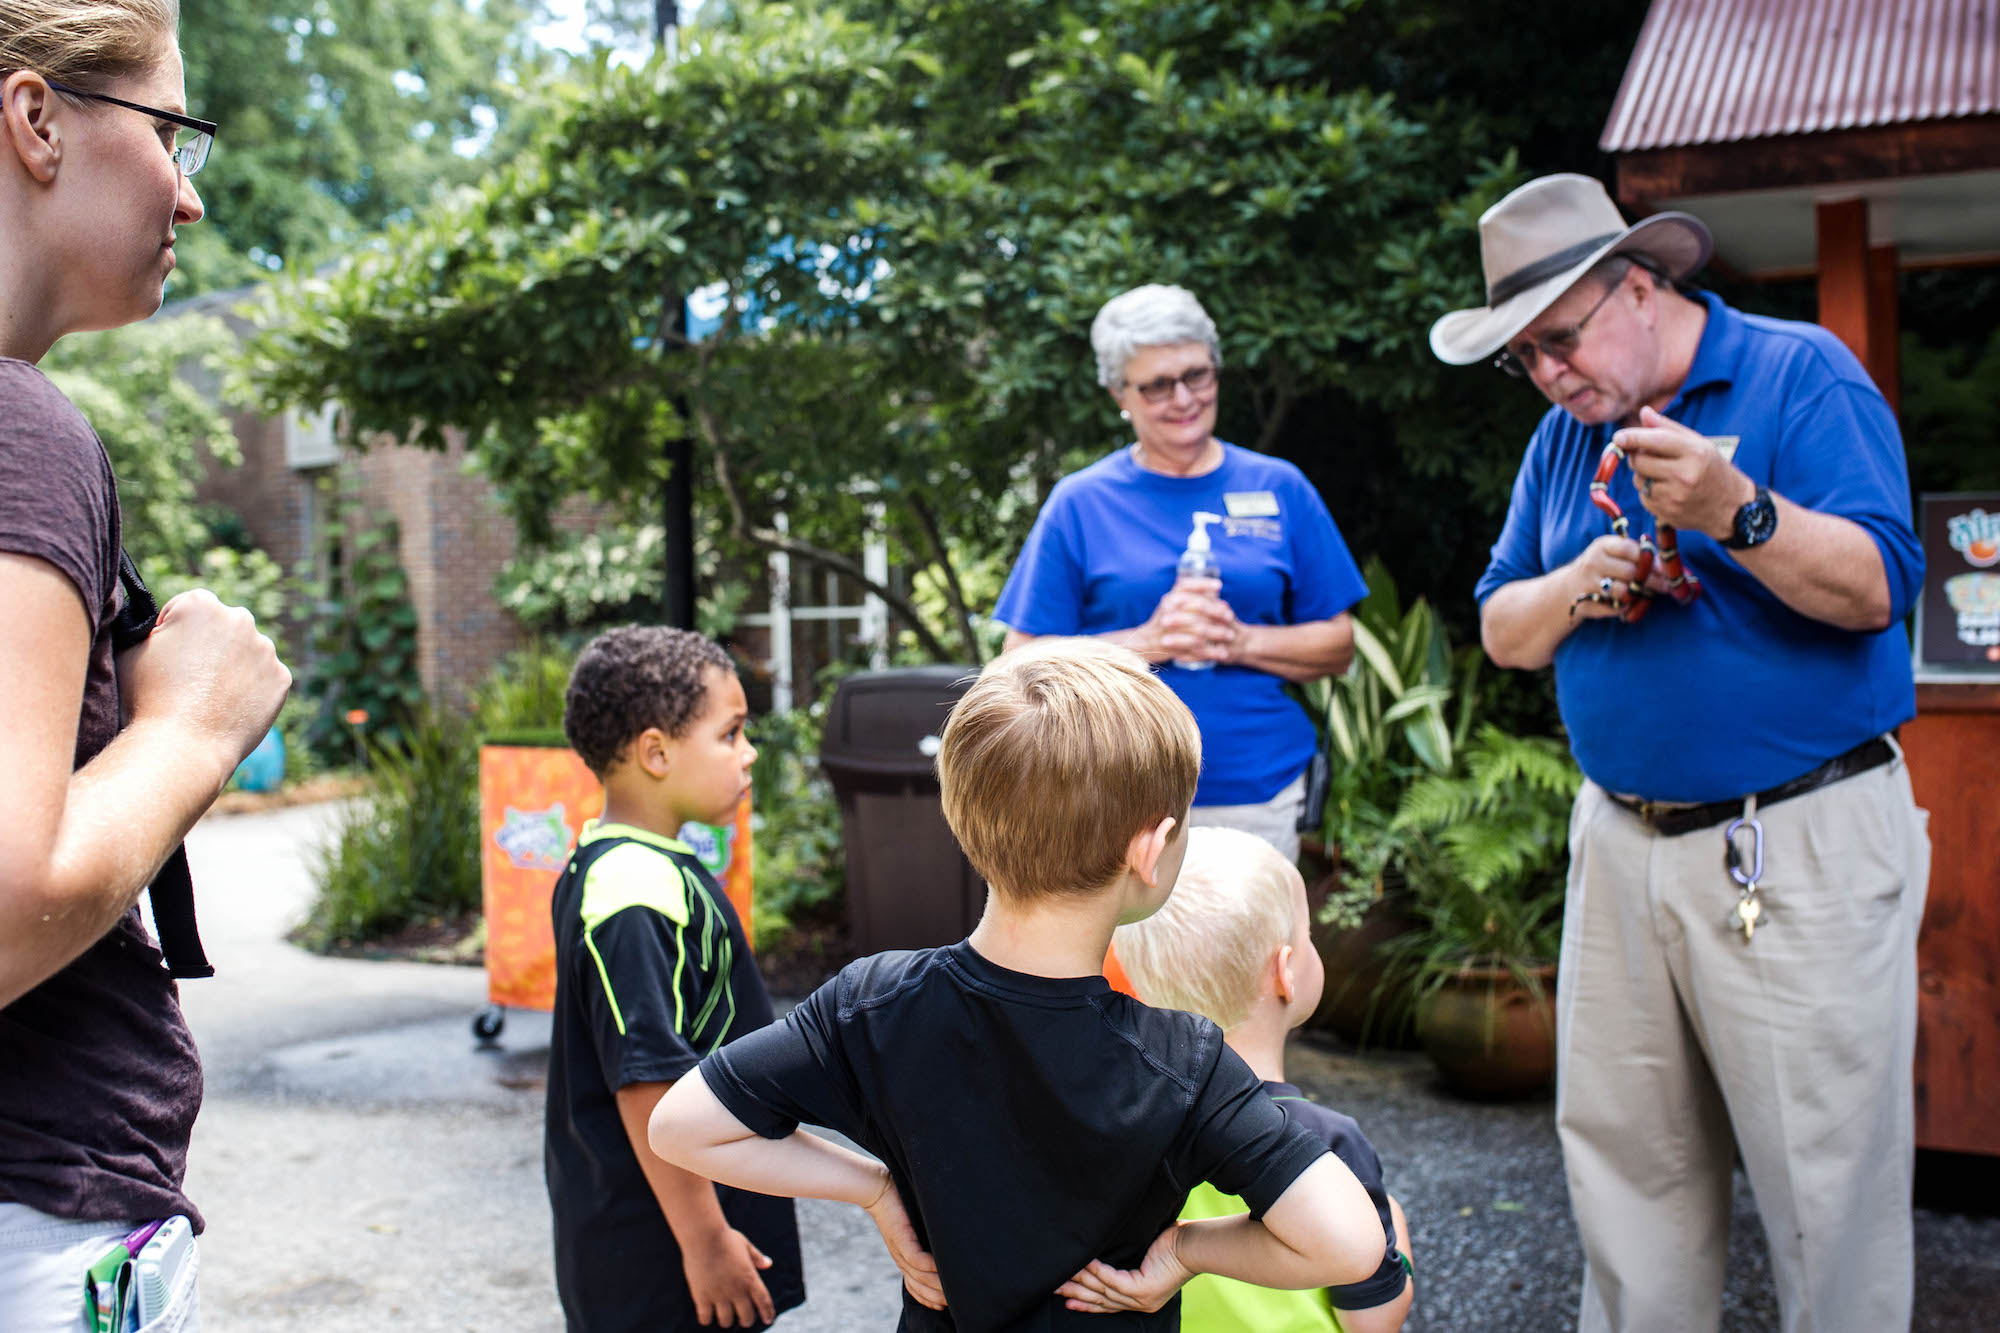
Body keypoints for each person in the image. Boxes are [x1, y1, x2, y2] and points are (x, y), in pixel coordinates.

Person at [1433, 173, 1930, 1333]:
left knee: (1824, 1181)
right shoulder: (1563, 442)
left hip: (1792, 834)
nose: (1551, 374)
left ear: (1643, 287)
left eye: (1562, 337)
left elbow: (1876, 590)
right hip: (1617, 840)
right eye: (1525, 357)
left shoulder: (1798, 373)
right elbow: (1504, 628)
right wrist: (1575, 584)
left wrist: (1733, 510)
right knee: (1626, 1170)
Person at [649, 638, 1389, 1331]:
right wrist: (1186, 1250)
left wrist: (874, 1187)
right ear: (1151, 849)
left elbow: (681, 1127)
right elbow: (1351, 1245)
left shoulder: (874, 1002)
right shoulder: (1183, 1062)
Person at [0, 3, 292, 1327]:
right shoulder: (19, 433)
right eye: (172, 131)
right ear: (36, 119)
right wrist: (191, 730)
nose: (187, 193)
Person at [993, 284, 1365, 863]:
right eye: (1157, 385)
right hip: (1116, 797)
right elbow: (1016, 664)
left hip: (1257, 790)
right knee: (1124, 958)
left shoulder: (1279, 486)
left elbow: (1339, 644)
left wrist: (1236, 640)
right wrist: (1147, 642)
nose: (1183, 397)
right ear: (1120, 393)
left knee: (1251, 955)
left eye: (1197, 375)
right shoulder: (1080, 502)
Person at [546, 626, 803, 1332]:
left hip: (677, 1227)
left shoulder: (631, 866)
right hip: (662, 1254)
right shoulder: (633, 891)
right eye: (731, 734)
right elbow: (646, 1079)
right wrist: (704, 1239)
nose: (748, 753)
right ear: (656, 752)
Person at [1114, 827, 1414, 1333]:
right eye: (1308, 935)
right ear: (1286, 971)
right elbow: (1374, 1321)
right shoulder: (1329, 1146)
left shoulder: (1114, 1120)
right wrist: (1395, 1244)